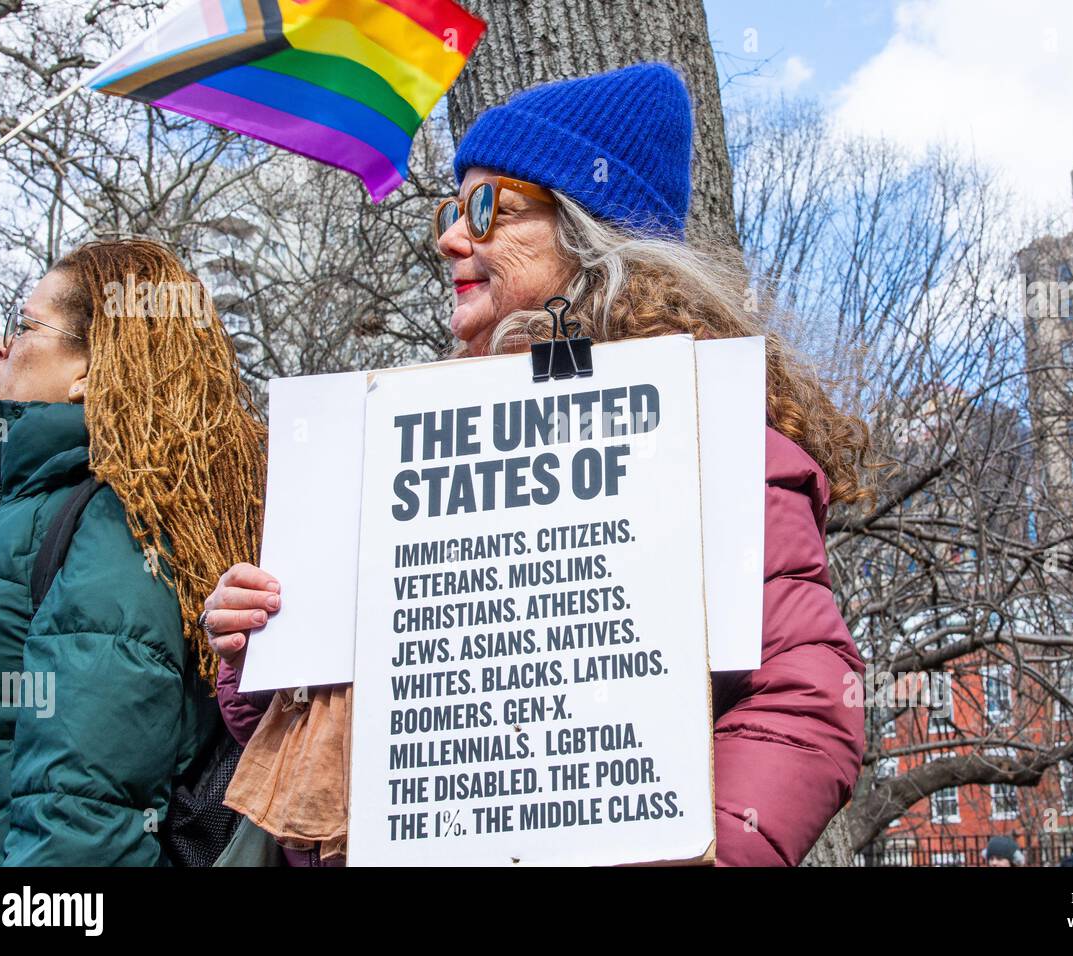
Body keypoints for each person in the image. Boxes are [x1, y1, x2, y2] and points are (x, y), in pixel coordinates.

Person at [204, 62, 875, 866]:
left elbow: (804, 703)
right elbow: (321, 752)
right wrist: (264, 655)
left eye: (489, 208)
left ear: (588, 235)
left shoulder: (708, 437)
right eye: (452, 211)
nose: (452, 237)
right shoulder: (404, 439)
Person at [0, 156, 267, 865]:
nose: (0, 346)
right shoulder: (27, 480)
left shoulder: (116, 529)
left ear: (91, 372)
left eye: (23, 324)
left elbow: (78, 819)